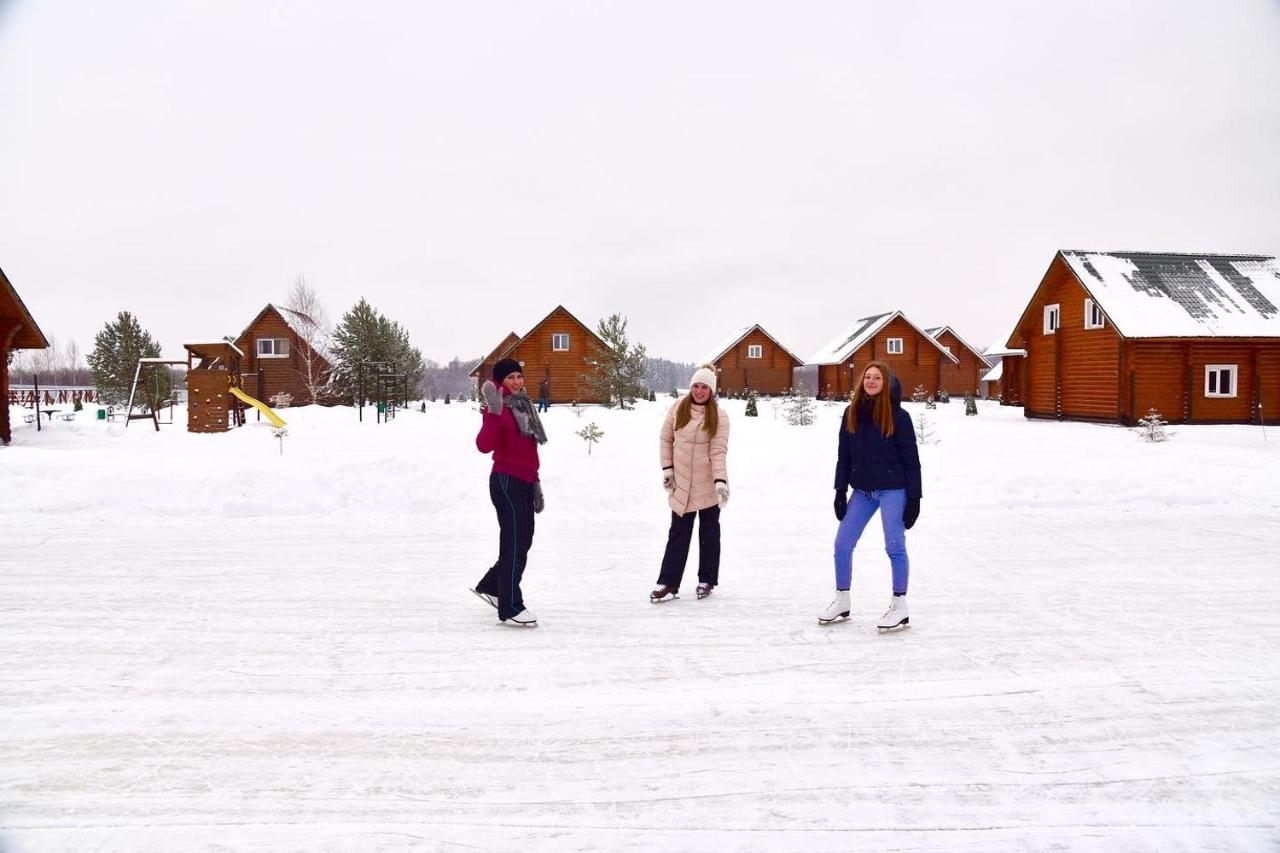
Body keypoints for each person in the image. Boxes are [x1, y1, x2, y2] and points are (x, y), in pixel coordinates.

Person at [818, 361, 921, 630]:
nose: (871, 381)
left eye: (877, 378)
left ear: (886, 383)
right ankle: (842, 600)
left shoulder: (899, 417)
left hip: (893, 490)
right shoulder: (851, 413)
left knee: (894, 546)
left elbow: (912, 461)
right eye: (868, 377)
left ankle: (900, 605)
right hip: (862, 491)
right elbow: (844, 456)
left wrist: (914, 499)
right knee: (842, 544)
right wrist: (840, 490)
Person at [472, 358, 547, 627]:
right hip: (506, 481)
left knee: (523, 540)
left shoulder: (523, 406)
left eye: (519, 376)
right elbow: (484, 445)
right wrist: (492, 412)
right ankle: (511, 605)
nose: (516, 381)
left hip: (525, 482)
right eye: (510, 378)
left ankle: (493, 585)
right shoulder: (498, 408)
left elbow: (529, 451)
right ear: (500, 381)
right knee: (514, 542)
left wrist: (535, 482)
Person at [650, 366, 731, 603]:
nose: (699, 391)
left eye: (704, 387)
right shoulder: (678, 408)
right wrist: (668, 469)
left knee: (709, 534)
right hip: (682, 484)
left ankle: (706, 579)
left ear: (711, 390)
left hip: (708, 484)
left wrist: (720, 481)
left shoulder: (719, 415)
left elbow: (718, 451)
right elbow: (666, 439)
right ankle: (668, 582)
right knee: (678, 534)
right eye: (696, 386)